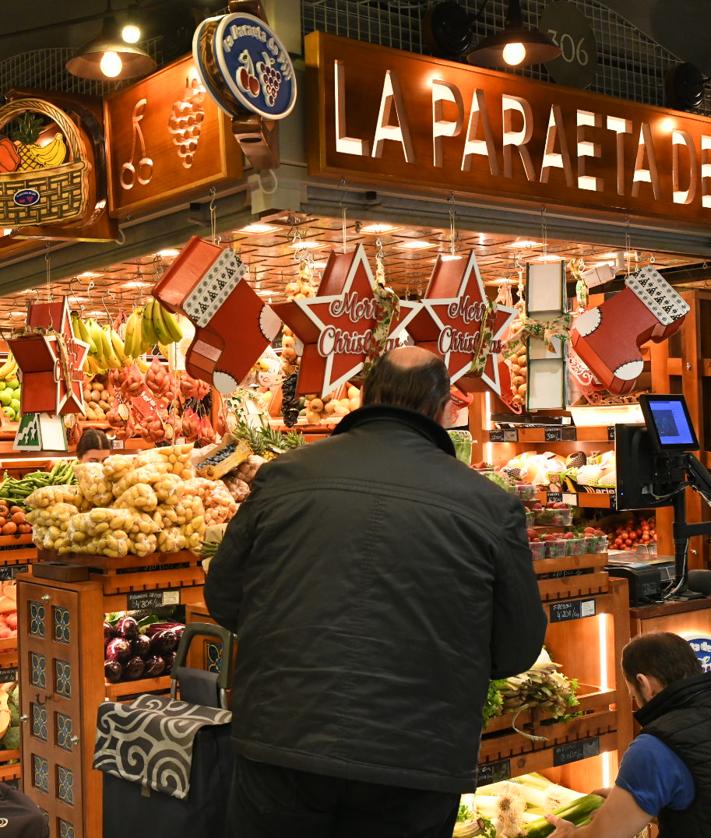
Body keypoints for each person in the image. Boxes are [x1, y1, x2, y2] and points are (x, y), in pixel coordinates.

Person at [205, 345, 546, 838]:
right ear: (442, 408)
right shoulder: (490, 506)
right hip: (416, 756)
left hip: (284, 739)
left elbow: (225, 597)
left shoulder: (285, 476)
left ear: (363, 396)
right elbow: (516, 649)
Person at [547, 631, 711, 837]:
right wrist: (634, 804)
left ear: (644, 684)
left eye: (633, 695)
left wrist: (569, 833)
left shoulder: (655, 748)